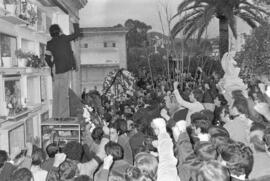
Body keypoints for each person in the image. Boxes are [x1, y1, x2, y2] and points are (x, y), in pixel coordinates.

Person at [45, 23, 80, 118]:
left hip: (55, 68)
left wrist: (52, 65)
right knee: (64, 93)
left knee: (56, 93)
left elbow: (47, 58)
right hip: (64, 68)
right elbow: (77, 34)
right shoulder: (64, 39)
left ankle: (55, 116)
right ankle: (63, 117)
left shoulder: (49, 43)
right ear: (59, 31)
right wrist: (76, 24)